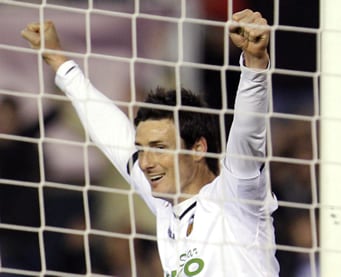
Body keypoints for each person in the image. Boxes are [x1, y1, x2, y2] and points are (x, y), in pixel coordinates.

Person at [21, 9, 279, 276]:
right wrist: (59, 61)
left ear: (198, 148)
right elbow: (112, 133)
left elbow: (248, 132)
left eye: (159, 148)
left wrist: (255, 64)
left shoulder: (236, 194)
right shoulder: (167, 206)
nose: (145, 162)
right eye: (142, 149)